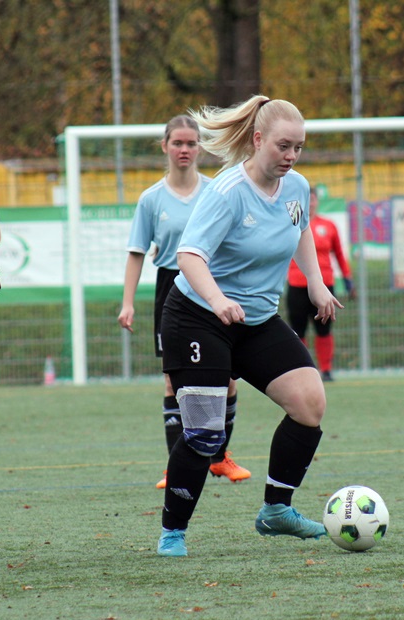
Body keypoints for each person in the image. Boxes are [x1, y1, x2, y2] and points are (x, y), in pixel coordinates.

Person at [155, 95, 342, 557]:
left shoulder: (296, 187)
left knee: (309, 404)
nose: (291, 156)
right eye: (283, 146)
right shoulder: (228, 192)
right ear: (258, 140)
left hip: (255, 321)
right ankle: (173, 532)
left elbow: (299, 229)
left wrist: (316, 284)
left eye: (298, 147)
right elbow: (189, 256)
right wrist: (218, 301)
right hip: (198, 318)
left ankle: (276, 510)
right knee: (205, 433)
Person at [118, 115, 250, 489]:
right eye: (177, 142)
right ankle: (173, 468)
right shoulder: (151, 199)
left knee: (228, 376)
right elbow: (136, 252)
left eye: (191, 143)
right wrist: (127, 302)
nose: (185, 149)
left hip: (212, 285)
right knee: (172, 381)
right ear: (165, 146)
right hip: (171, 290)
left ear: (200, 148)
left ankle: (219, 458)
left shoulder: (216, 191)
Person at [286, 186, 355, 382]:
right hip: (297, 284)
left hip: (324, 286)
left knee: (324, 329)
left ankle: (326, 370)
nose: (311, 203)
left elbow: (339, 253)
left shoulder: (328, 225)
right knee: (298, 331)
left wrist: (348, 278)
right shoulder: (292, 223)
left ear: (317, 201)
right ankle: (302, 370)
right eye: (307, 199)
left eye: (313, 199)